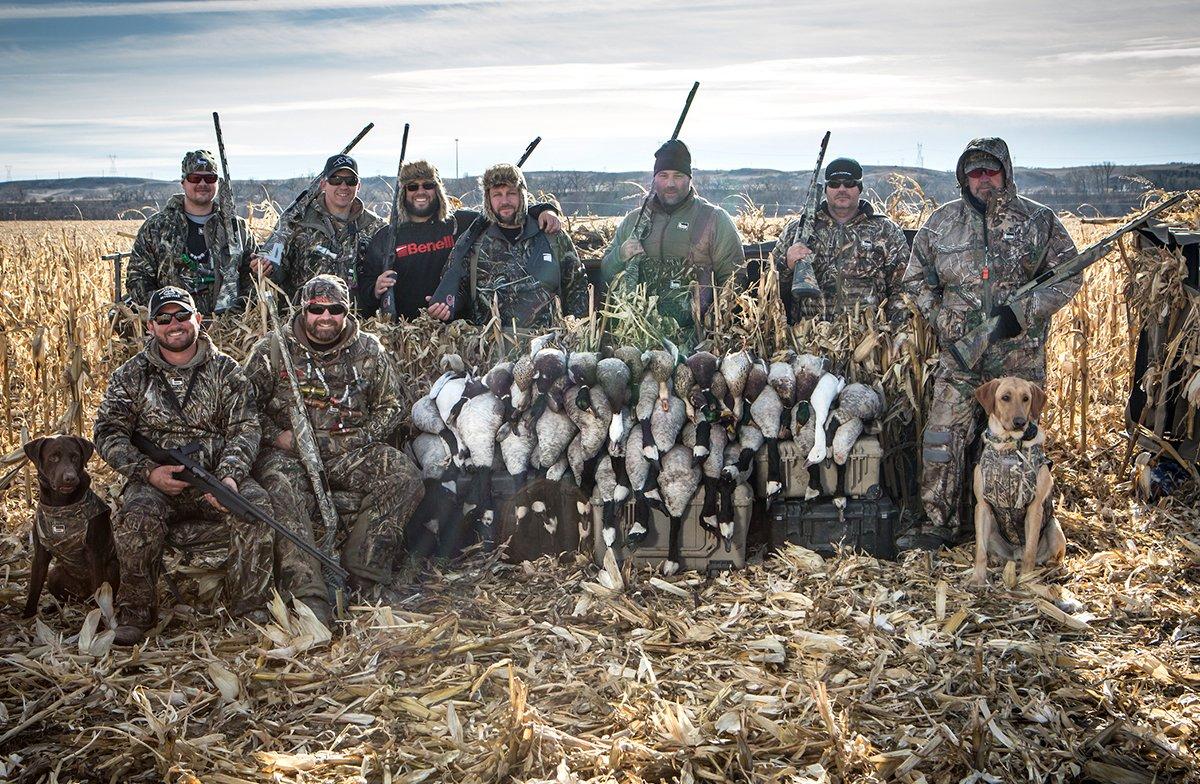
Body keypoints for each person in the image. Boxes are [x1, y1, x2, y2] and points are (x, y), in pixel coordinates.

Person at [897, 137, 1079, 551]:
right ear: (964, 177)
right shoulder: (941, 223)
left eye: (991, 171)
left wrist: (1024, 312)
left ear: (1006, 172)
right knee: (942, 438)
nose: (984, 180)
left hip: (1019, 362)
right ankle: (938, 525)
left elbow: (1071, 275)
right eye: (974, 173)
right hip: (961, 360)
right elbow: (914, 279)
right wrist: (946, 322)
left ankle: (1028, 530)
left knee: (1025, 446)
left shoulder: (1039, 221)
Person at [93, 287, 273, 645]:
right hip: (155, 482)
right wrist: (147, 472)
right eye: (163, 318)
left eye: (181, 316)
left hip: (215, 477)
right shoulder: (131, 375)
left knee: (257, 510)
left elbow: (246, 428)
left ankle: (251, 607)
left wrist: (229, 477)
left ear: (198, 319)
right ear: (150, 326)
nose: (173, 325)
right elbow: (107, 432)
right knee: (138, 514)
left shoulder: (226, 371)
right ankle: (136, 611)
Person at [244, 275, 423, 617]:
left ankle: (364, 574)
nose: (325, 317)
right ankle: (307, 590)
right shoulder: (272, 350)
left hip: (350, 451)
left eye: (335, 309)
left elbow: (391, 406)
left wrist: (355, 439)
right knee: (280, 487)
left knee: (403, 475)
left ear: (347, 311)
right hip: (291, 454)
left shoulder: (369, 348)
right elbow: (243, 409)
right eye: (316, 309)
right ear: (303, 309)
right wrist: (276, 436)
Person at [358, 159, 563, 319]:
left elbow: (505, 212)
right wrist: (375, 289)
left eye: (428, 185)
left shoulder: (463, 224)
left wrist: (543, 210)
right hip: (405, 336)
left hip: (456, 331)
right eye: (412, 187)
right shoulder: (386, 237)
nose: (420, 191)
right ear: (404, 193)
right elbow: (365, 288)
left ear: (437, 190)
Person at [601, 139, 745, 329]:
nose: (670, 183)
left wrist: (717, 326)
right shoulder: (634, 221)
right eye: (663, 175)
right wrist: (621, 254)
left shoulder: (714, 219)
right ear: (654, 179)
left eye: (678, 176)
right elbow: (606, 272)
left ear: (689, 179)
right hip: (640, 332)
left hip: (697, 337)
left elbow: (734, 279)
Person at [427, 164, 587, 328]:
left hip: (546, 345)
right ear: (488, 199)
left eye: (511, 193)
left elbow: (576, 287)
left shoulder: (551, 235)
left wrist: (576, 332)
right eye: (497, 195)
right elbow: (457, 286)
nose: (504, 201)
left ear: (522, 195)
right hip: (490, 346)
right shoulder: (473, 240)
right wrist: (446, 305)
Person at [772, 157, 910, 324]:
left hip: (869, 340)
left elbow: (902, 288)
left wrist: (894, 331)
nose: (842, 189)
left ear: (860, 188)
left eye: (849, 183)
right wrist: (786, 265)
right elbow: (771, 288)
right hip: (810, 337)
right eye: (834, 184)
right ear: (826, 189)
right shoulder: (797, 230)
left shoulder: (885, 230)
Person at [126, 151, 257, 315]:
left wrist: (241, 308)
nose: (203, 183)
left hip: (231, 328)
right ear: (183, 182)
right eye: (195, 178)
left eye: (210, 178)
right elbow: (137, 278)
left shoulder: (236, 227)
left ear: (217, 183)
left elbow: (253, 274)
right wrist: (168, 311)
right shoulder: (157, 227)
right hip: (175, 330)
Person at [256, 154, 383, 303]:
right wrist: (266, 268)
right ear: (323, 184)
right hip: (306, 315)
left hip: (356, 316)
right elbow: (278, 269)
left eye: (350, 181)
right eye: (335, 180)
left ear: (358, 186)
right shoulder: (298, 222)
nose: (343, 186)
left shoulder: (375, 227)